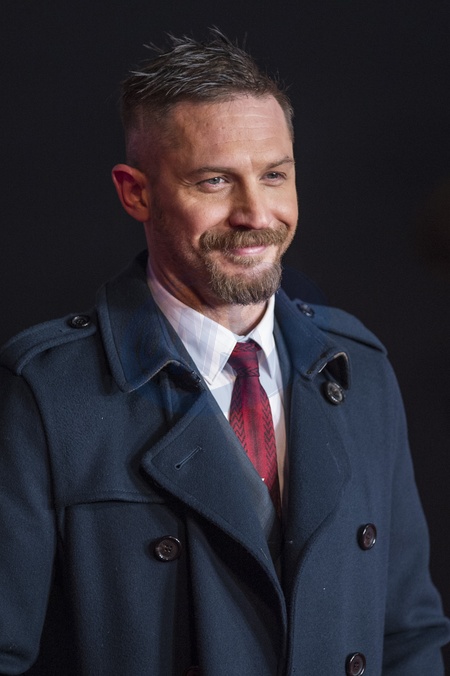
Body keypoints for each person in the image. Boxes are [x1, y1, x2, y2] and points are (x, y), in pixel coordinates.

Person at [0, 29, 448, 676]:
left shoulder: (362, 370)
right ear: (135, 193)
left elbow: (408, 635)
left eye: (274, 176)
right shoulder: (45, 392)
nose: (255, 213)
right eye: (214, 181)